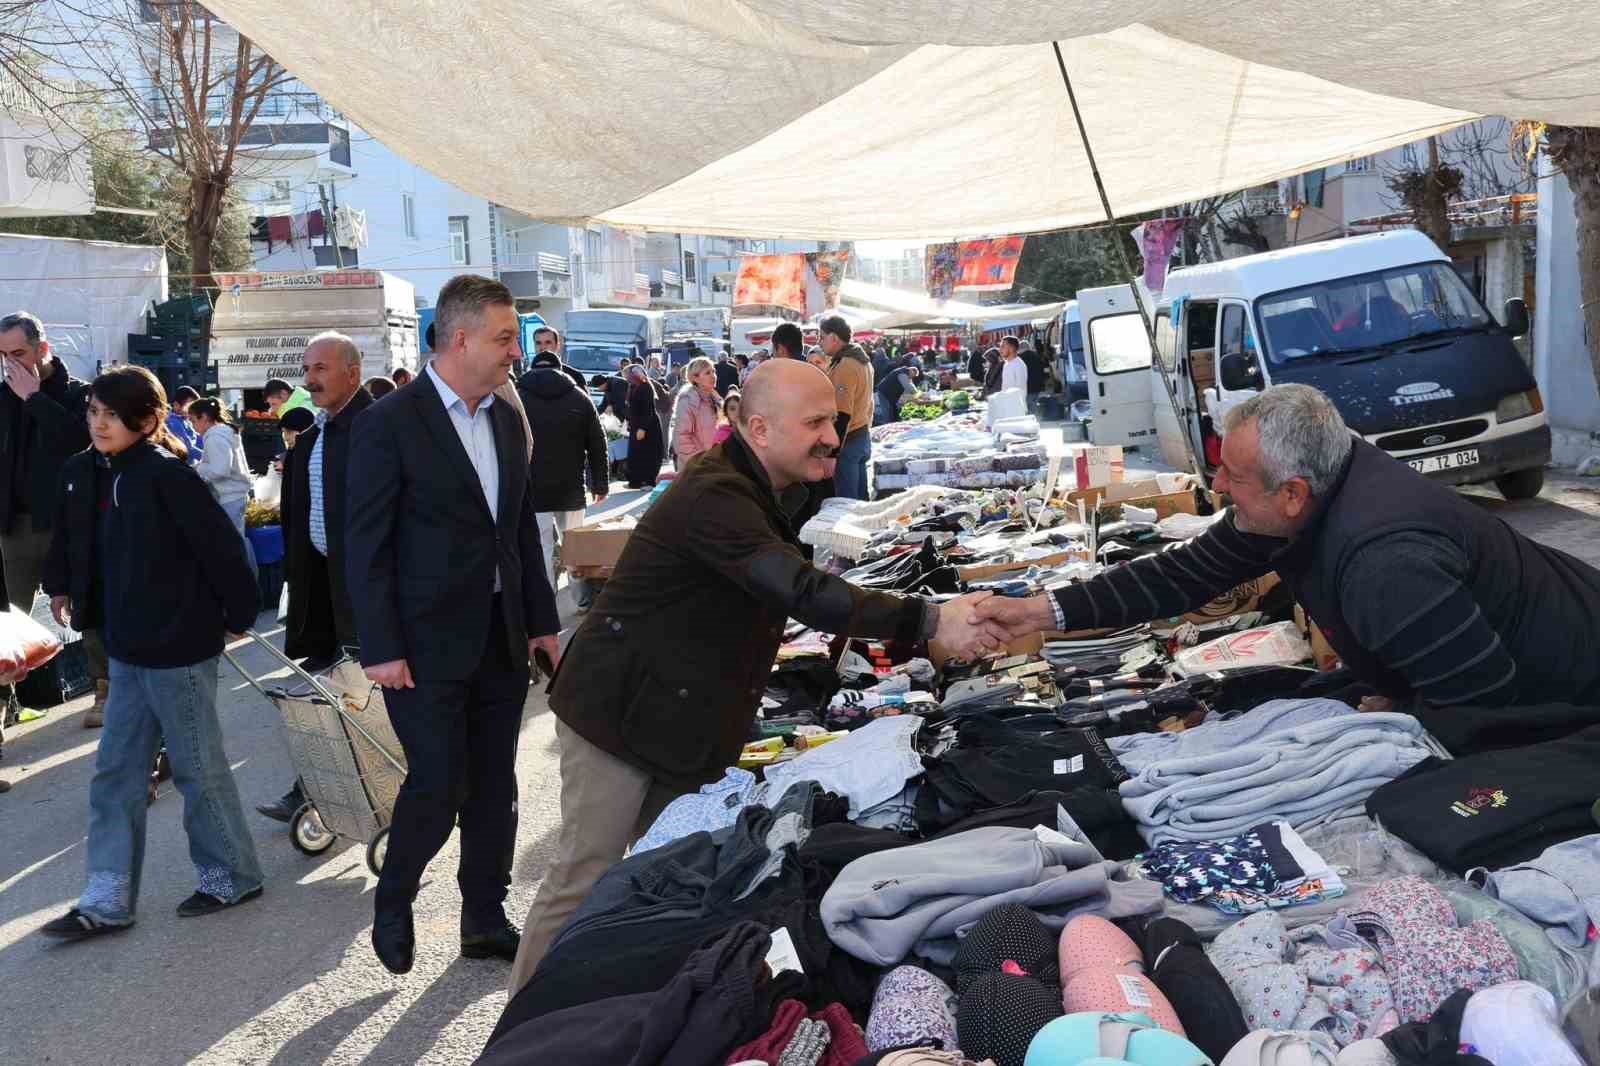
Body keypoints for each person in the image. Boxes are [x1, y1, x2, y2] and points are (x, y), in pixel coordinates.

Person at [505, 358, 1004, 991]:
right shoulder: (716, 494)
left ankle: (622, 1012)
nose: (832, 436)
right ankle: (521, 1024)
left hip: (679, 718)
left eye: (834, 421)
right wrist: (928, 618)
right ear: (760, 429)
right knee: (584, 878)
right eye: (815, 423)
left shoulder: (764, 485)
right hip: (618, 712)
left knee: (678, 879)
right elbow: (799, 590)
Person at [977, 383, 1600, 712]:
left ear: (1294, 492)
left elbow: (1483, 700)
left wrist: (1409, 711)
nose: (1216, 487)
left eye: (1232, 475)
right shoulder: (1316, 491)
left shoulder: (1386, 561)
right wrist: (1039, 612)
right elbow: (1183, 573)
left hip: (1577, 682)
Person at [344, 274, 561, 976]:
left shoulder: (505, 418)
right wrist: (381, 646)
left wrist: (540, 621)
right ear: (459, 338)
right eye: (504, 338)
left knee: (496, 785)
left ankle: (483, 919)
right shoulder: (389, 422)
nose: (514, 352)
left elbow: (517, 530)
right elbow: (366, 546)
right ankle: (394, 898)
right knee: (439, 783)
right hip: (421, 645)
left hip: (500, 634)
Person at [38, 365, 261, 940]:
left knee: (196, 768)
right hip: (126, 648)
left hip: (179, 648)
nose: (99, 424)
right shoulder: (88, 472)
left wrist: (237, 615)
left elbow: (224, 549)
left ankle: (231, 875)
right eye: (93, 412)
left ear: (146, 419)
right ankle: (107, 898)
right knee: (115, 773)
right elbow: (72, 539)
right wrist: (62, 586)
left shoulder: (167, 476)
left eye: (112, 415)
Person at [257, 333, 376, 825]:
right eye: (307, 369)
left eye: (320, 369)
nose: (309, 379)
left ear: (352, 372)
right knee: (330, 698)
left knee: (364, 701)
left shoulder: (379, 430)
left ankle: (334, 793)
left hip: (369, 593)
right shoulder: (313, 436)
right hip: (325, 591)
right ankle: (315, 791)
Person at [0, 311, 102, 730]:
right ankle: (4, 708)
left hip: (69, 523)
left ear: (42, 348)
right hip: (15, 528)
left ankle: (105, 692)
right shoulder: (2, 397)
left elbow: (82, 443)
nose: (10, 364)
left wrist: (34, 399)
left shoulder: (80, 394)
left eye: (18, 353)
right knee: (6, 620)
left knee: (89, 608)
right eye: (3, 355)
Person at [518, 348, 608, 612]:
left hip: (533, 489)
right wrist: (600, 483)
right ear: (560, 370)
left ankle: (546, 605)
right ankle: (582, 600)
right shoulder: (579, 397)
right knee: (575, 546)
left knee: (542, 549)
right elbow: (597, 442)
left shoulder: (518, 397)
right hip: (571, 488)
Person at [187, 398, 257, 575]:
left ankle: (245, 579)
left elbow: (220, 470)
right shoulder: (223, 432)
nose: (193, 426)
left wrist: (197, 468)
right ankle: (247, 578)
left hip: (229, 496)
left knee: (234, 543)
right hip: (235, 494)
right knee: (237, 540)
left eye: (193, 420)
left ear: (204, 417)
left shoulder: (215, 437)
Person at [818, 313, 874, 501]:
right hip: (861, 435)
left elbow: (842, 414)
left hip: (848, 442)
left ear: (834, 338)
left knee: (847, 503)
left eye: (822, 337)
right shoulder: (861, 360)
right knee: (860, 500)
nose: (820, 342)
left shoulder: (846, 365)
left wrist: (832, 454)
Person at [669, 355, 720, 469]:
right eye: (707, 373)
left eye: (713, 371)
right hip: (697, 469)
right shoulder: (688, 400)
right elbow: (681, 439)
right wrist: (699, 463)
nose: (713, 376)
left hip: (715, 465)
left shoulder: (715, 398)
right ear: (695, 378)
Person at [623, 363, 664, 489]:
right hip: (637, 425)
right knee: (636, 454)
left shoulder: (645, 387)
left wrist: (642, 428)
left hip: (647, 426)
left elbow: (647, 409)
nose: (626, 378)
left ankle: (649, 481)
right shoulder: (634, 386)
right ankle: (635, 481)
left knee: (648, 454)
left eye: (627, 375)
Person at [532, 327, 587, 392]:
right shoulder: (528, 377)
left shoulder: (575, 376)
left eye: (548, 342)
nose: (543, 347)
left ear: (557, 346)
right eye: (538, 343)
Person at [167, 384, 203, 465]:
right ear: (176, 405)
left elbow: (198, 439)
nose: (193, 410)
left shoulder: (184, 419)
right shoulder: (173, 422)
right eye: (189, 406)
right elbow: (188, 448)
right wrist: (210, 457)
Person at [1020, 342, 1044, 414]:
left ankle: (1030, 417)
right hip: (1037, 385)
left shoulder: (1020, 358)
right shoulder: (1037, 356)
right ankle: (1034, 417)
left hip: (1027, 386)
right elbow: (1042, 370)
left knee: (1027, 406)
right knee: (1033, 404)